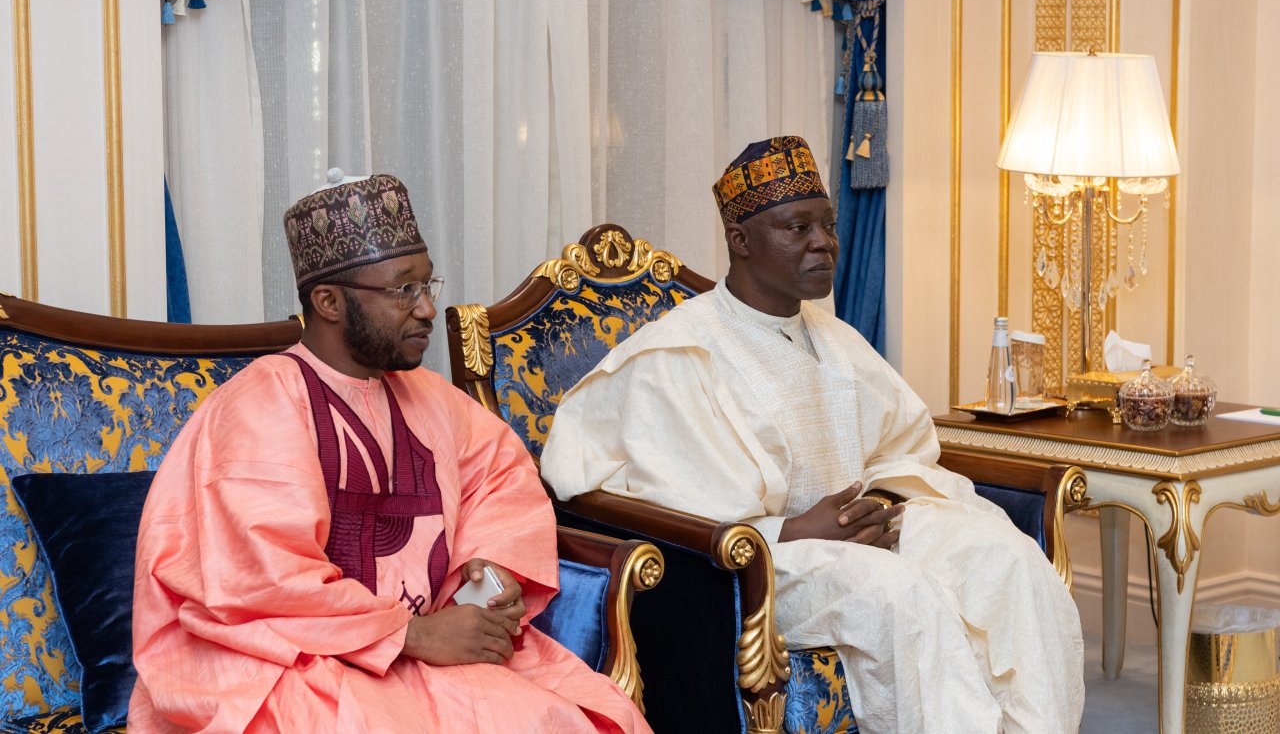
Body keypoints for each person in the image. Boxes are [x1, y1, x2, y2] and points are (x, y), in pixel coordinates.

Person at [540, 137, 1085, 734]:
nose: (823, 242)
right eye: (797, 228)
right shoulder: (679, 355)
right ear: (740, 240)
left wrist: (880, 503)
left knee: (1008, 560)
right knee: (899, 597)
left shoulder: (834, 337)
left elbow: (898, 447)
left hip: (861, 531)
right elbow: (679, 501)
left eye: (827, 225)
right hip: (764, 565)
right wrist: (802, 530)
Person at [130, 172, 649, 733]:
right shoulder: (261, 407)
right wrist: (414, 635)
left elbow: (502, 479)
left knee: (552, 718)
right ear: (329, 301)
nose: (427, 309)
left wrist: (489, 573)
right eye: (403, 290)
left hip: (427, 651)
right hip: (286, 661)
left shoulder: (428, 397)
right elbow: (259, 584)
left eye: (428, 285)